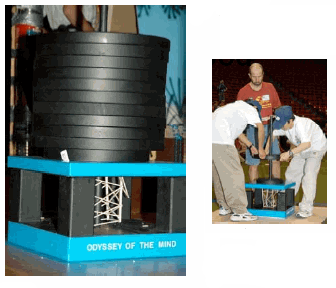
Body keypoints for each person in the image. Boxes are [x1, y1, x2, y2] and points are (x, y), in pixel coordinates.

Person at [266, 106, 327, 218]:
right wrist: (265, 150)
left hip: (316, 148)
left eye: (283, 124)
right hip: (302, 148)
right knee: (291, 174)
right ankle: (286, 204)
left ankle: (306, 209)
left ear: (291, 121)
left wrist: (289, 153)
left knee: (309, 175)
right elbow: (273, 134)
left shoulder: (301, 125)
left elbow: (307, 144)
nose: (281, 127)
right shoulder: (285, 125)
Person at [212, 99, 266, 221]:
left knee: (219, 174)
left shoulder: (231, 108)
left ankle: (224, 206)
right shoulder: (251, 109)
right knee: (234, 175)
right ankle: (239, 211)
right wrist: (261, 148)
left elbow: (237, 133)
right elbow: (261, 128)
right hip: (222, 141)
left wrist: (251, 146)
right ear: (255, 108)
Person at [237, 63, 281, 183]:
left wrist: (275, 115)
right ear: (249, 75)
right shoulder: (243, 92)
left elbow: (278, 106)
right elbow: (238, 115)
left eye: (259, 76)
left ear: (263, 75)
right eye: (254, 76)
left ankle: (275, 191)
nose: (257, 79)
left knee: (275, 159)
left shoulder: (270, 87)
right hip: (253, 129)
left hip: (270, 126)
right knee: (253, 162)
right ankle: (255, 192)